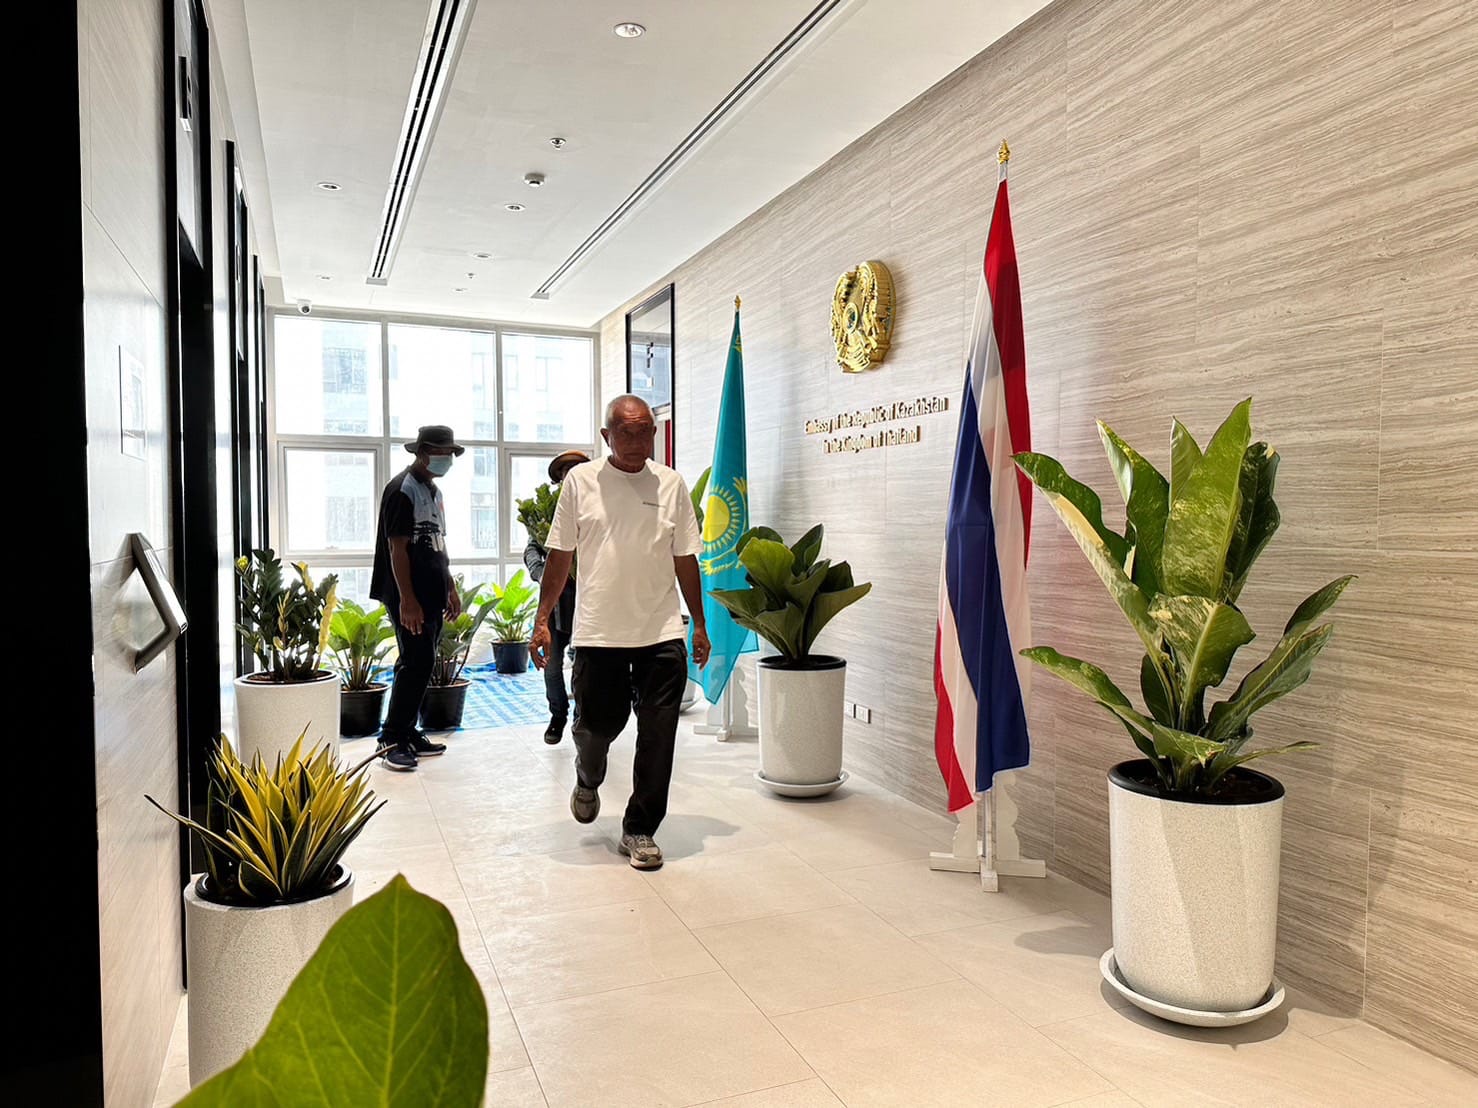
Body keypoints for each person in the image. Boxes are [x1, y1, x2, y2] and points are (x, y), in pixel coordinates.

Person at [531, 395, 710, 870]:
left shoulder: (671, 484)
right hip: (599, 633)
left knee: (659, 735)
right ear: (606, 436)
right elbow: (560, 556)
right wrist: (542, 619)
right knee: (597, 727)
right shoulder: (580, 482)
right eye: (625, 433)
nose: (636, 441)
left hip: (660, 631)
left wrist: (699, 623)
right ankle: (587, 776)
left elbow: (685, 558)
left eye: (644, 431)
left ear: (654, 433)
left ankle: (640, 829)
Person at [369, 425, 465, 771]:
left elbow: (439, 542)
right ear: (422, 453)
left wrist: (449, 587)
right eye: (441, 453)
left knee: (418, 661)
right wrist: (407, 600)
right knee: (418, 661)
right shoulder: (401, 490)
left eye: (450, 453)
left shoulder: (433, 491)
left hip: (431, 590)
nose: (447, 459)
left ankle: (407, 731)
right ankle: (391, 738)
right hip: (408, 594)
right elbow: (397, 549)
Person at [523, 450, 589, 744]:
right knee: (551, 664)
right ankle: (558, 715)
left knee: (585, 664)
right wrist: (541, 573)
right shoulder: (547, 511)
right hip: (554, 601)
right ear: (559, 478)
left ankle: (582, 717)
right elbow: (532, 548)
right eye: (566, 471)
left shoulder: (596, 505)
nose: (571, 475)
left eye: (577, 469)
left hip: (587, 599)